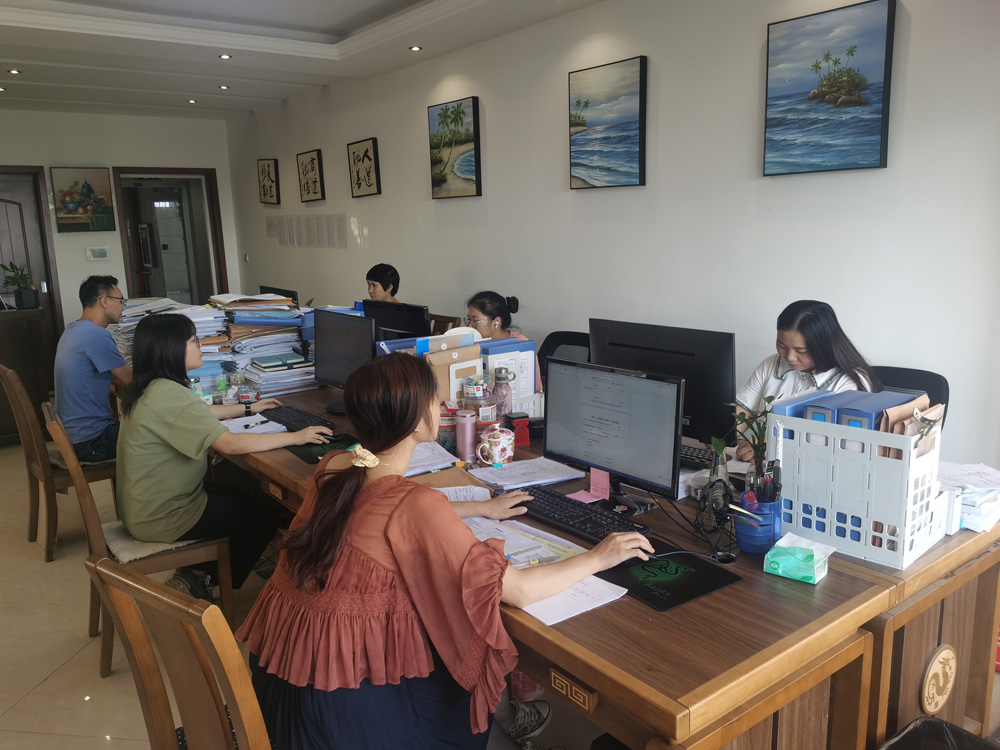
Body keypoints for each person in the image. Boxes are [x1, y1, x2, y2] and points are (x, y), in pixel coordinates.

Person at [237, 353, 651, 749]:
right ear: (419, 420)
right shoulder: (413, 505)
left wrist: (481, 508)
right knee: (458, 690)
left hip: (285, 680)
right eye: (437, 402)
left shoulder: (335, 466)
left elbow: (378, 514)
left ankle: (508, 725)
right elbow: (520, 590)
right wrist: (598, 557)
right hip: (346, 712)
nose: (444, 408)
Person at [117, 313, 332, 600]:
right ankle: (201, 577)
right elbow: (229, 444)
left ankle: (239, 561)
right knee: (262, 519)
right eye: (194, 341)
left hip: (146, 505)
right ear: (171, 350)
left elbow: (199, 412)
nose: (200, 346)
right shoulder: (170, 394)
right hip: (165, 516)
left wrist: (249, 408)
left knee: (244, 497)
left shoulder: (152, 388)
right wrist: (297, 436)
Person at [735, 300, 881, 460]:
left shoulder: (851, 382)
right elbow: (743, 412)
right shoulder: (772, 364)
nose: (790, 357)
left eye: (801, 350)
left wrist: (762, 444)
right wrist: (722, 438)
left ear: (824, 346)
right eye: (782, 345)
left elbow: (826, 443)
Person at [53, 275, 133, 462]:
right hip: (92, 441)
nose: (123, 308)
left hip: (75, 437)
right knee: (158, 433)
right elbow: (133, 380)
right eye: (121, 301)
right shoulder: (96, 335)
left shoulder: (72, 330)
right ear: (104, 301)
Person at [466, 290, 543, 392]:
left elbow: (534, 389)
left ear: (497, 322)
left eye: (475, 321)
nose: (470, 326)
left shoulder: (520, 344)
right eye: (468, 320)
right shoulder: (472, 343)